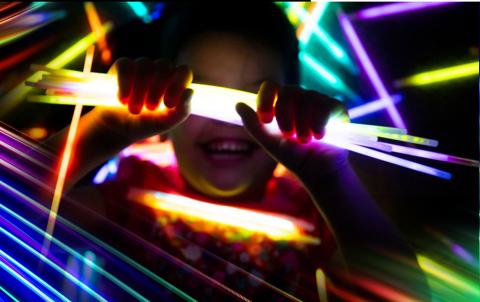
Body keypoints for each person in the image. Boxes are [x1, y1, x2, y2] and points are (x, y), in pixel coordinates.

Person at [47, 3, 430, 301]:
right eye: (205, 96)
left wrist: (329, 177)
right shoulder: (126, 204)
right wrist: (104, 130)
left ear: (293, 100)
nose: (230, 121)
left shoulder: (318, 222)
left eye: (254, 97)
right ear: (162, 111)